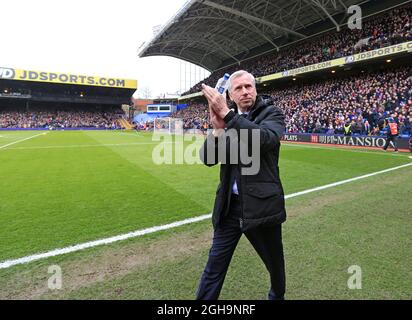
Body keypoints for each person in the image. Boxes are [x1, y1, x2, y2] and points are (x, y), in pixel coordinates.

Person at [196, 70, 286, 300]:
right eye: (238, 88)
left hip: (261, 206)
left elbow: (264, 140)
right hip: (230, 207)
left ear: (255, 89)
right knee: (213, 267)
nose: (245, 91)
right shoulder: (227, 120)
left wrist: (226, 114)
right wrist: (217, 130)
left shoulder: (272, 114)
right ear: (230, 94)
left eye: (249, 86)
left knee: (275, 266)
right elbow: (207, 159)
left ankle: (277, 295)